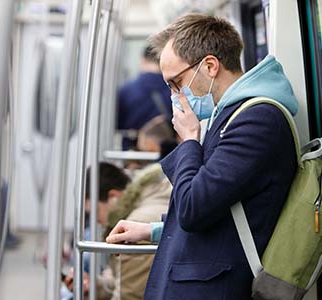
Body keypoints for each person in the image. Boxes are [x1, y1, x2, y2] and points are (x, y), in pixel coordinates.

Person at [106, 13, 298, 299]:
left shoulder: (258, 120)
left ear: (209, 66)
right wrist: (154, 230)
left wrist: (188, 140)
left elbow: (194, 208)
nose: (174, 94)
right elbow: (221, 207)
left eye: (177, 82)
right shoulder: (229, 114)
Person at [65, 161, 171, 300]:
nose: (95, 221)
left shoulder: (137, 225)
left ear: (114, 196)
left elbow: (130, 295)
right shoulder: (150, 196)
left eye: (95, 212)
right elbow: (123, 281)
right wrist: (94, 287)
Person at [117, 45, 172, 150]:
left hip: (132, 155)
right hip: (165, 152)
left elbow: (118, 125)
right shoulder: (174, 90)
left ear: (142, 60)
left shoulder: (126, 90)